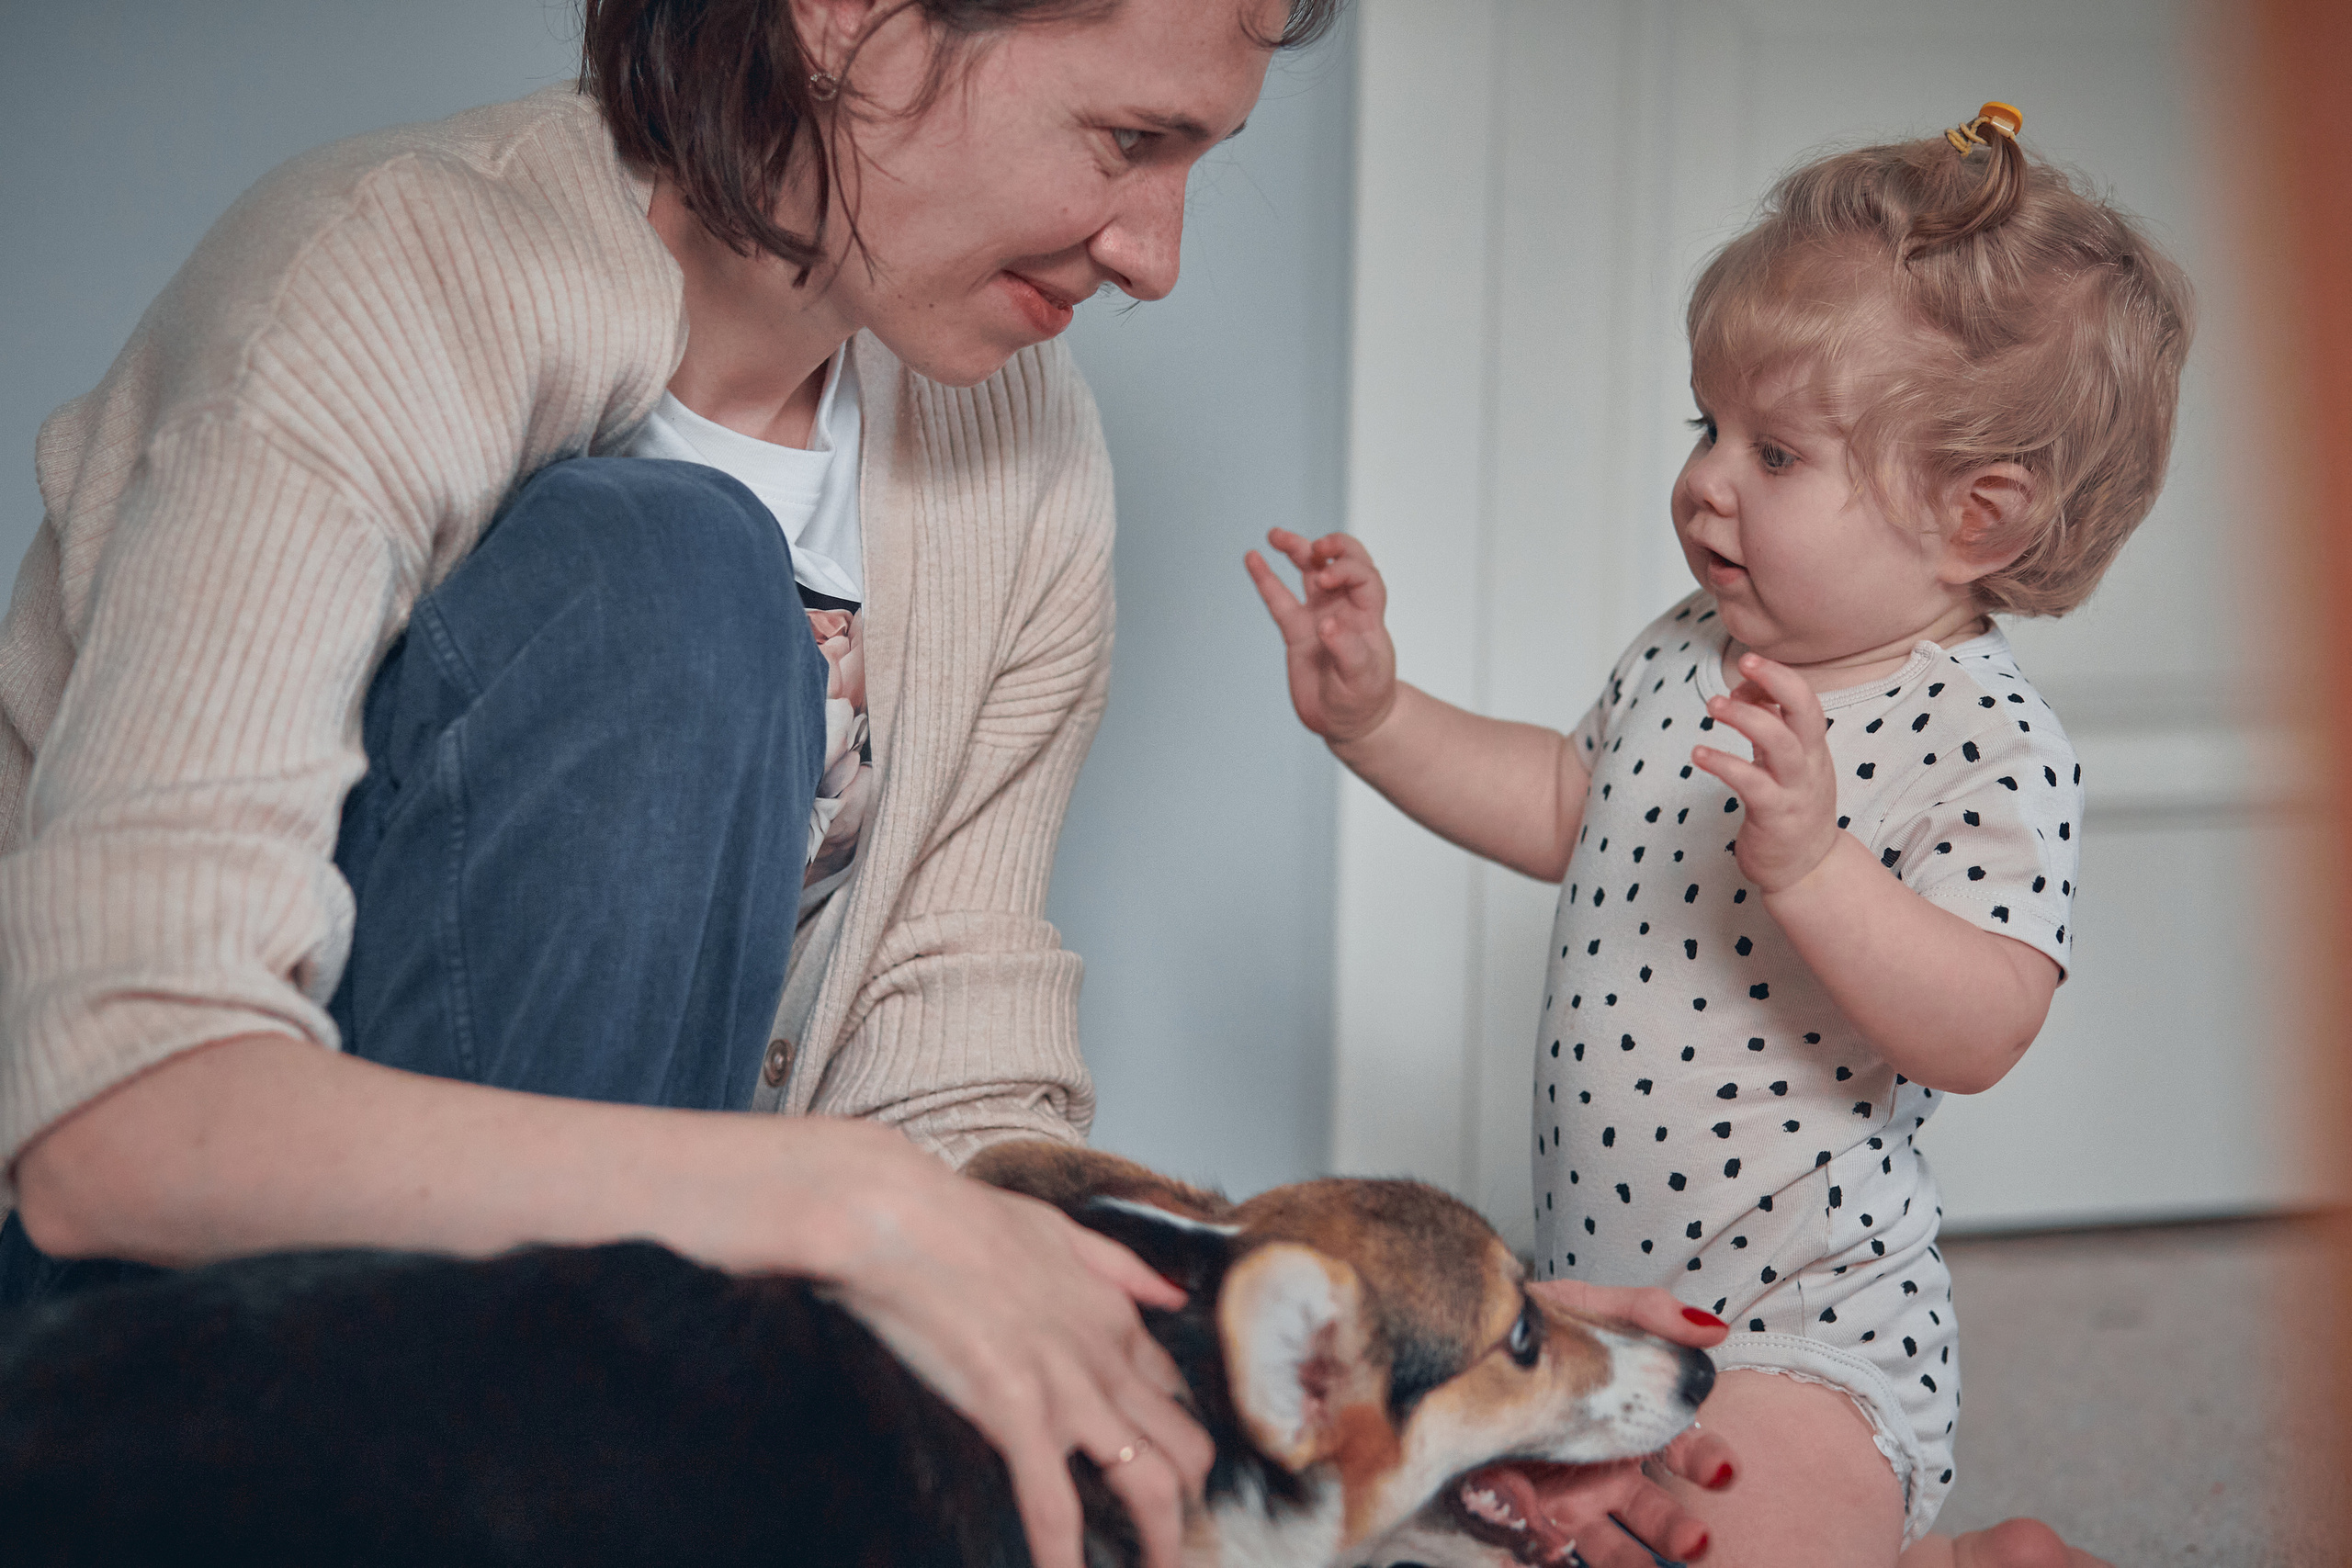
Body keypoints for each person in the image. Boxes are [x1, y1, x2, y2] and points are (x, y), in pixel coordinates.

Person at [0, 3, 1736, 1564]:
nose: (1158, 255)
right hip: (127, 1370)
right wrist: (838, 1203)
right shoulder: (386, 281)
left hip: (606, 1383)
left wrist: (1426, 1368)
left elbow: (947, 1069)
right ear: (854, 22)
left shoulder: (1021, 449)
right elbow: (118, 1127)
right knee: (669, 583)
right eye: (1130, 141)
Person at [1250, 101, 2190, 1568]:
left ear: (1976, 520)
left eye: (1778, 453)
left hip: (1811, 1331)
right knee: (1483, 1541)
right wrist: (1377, 719)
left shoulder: (1983, 735)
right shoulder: (1690, 646)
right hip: (1592, 1313)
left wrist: (1819, 868)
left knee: (1736, 1536)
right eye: (1708, 428)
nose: (1706, 480)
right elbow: (1570, 803)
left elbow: (1987, 1023)